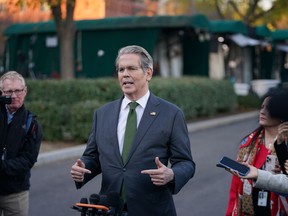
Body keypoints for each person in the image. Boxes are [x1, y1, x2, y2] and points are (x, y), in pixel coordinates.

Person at [70, 45, 195, 216]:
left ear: (148, 73)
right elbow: (93, 157)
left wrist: (172, 174)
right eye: (121, 69)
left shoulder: (171, 114)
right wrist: (82, 167)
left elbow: (186, 163)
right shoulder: (103, 114)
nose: (125, 74)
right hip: (109, 209)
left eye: (131, 68)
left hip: (153, 210)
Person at [226, 88, 288, 216]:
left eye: (269, 108)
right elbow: (235, 187)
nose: (262, 112)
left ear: (282, 114)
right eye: (262, 107)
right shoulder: (248, 143)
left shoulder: (285, 145)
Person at [0, 71, 42, 216]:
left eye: (18, 91)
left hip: (16, 193)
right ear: (1, 93)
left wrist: (2, 166)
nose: (14, 96)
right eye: (9, 91)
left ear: (25, 91)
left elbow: (28, 160)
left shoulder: (32, 123)